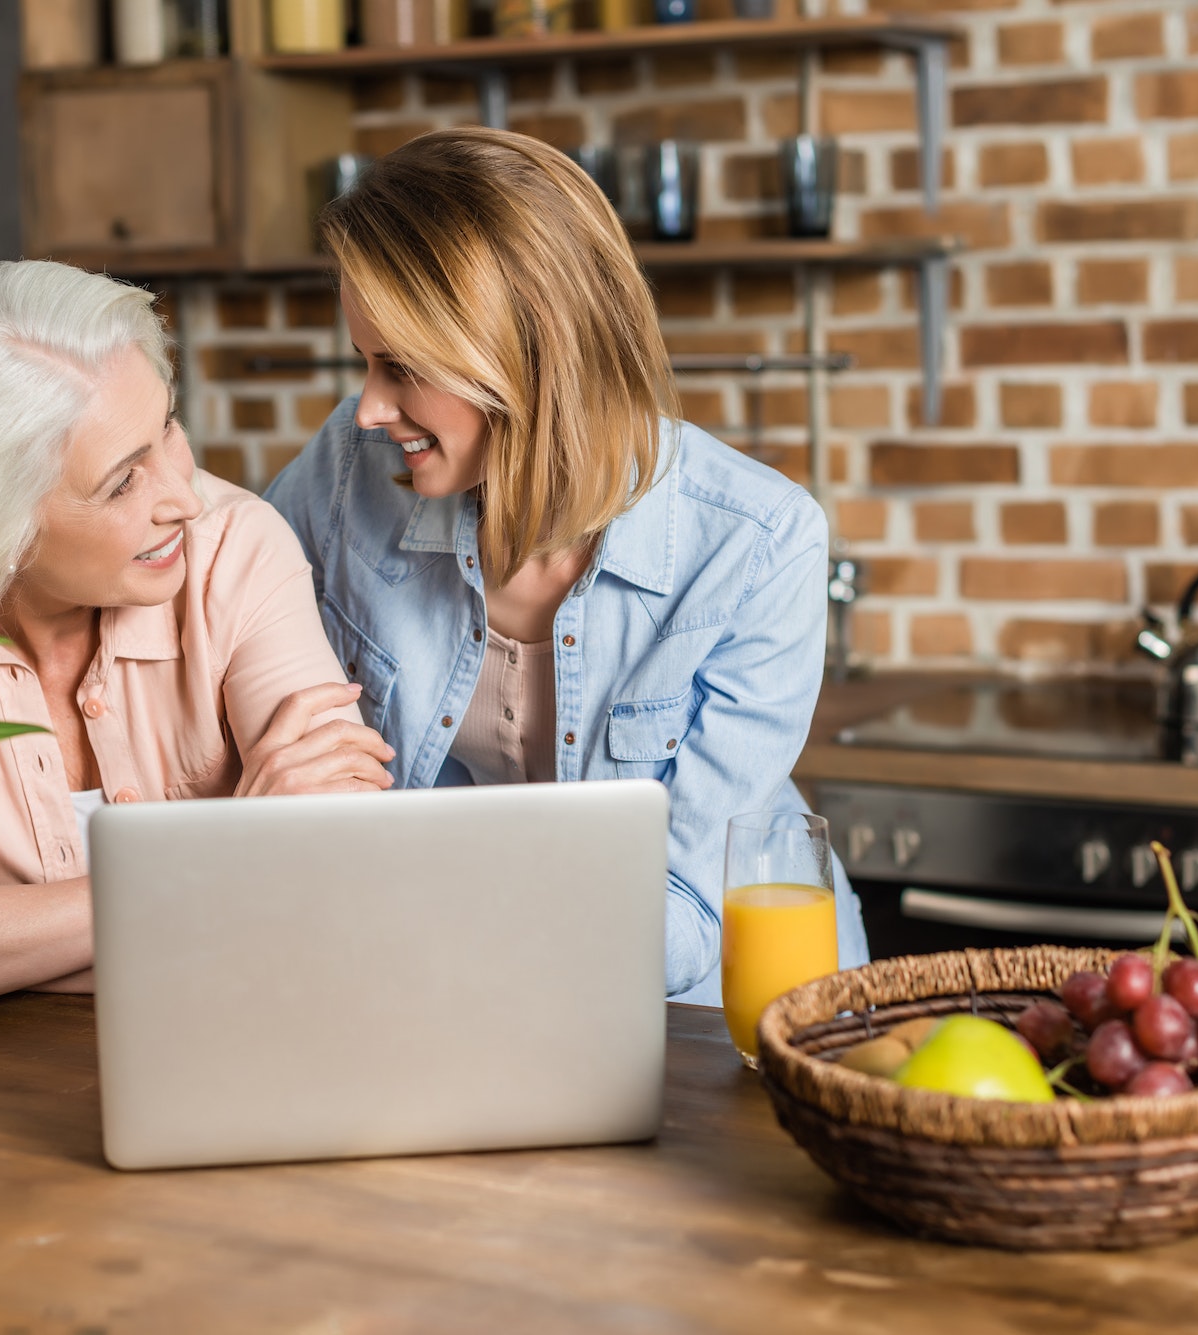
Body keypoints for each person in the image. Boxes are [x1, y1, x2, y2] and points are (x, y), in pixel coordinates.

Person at [265, 127, 868, 1004]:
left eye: (401, 366)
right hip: (448, 986)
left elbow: (688, 906)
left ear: (524, 357)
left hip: (718, 1006)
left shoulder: (757, 543)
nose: (367, 409)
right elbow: (225, 644)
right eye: (364, 361)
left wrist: (432, 950)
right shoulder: (343, 477)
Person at [0, 260, 394, 1029]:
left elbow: (339, 874)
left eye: (167, 429)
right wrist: (217, 861)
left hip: (237, 1041)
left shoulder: (235, 547)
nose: (183, 498)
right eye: (122, 482)